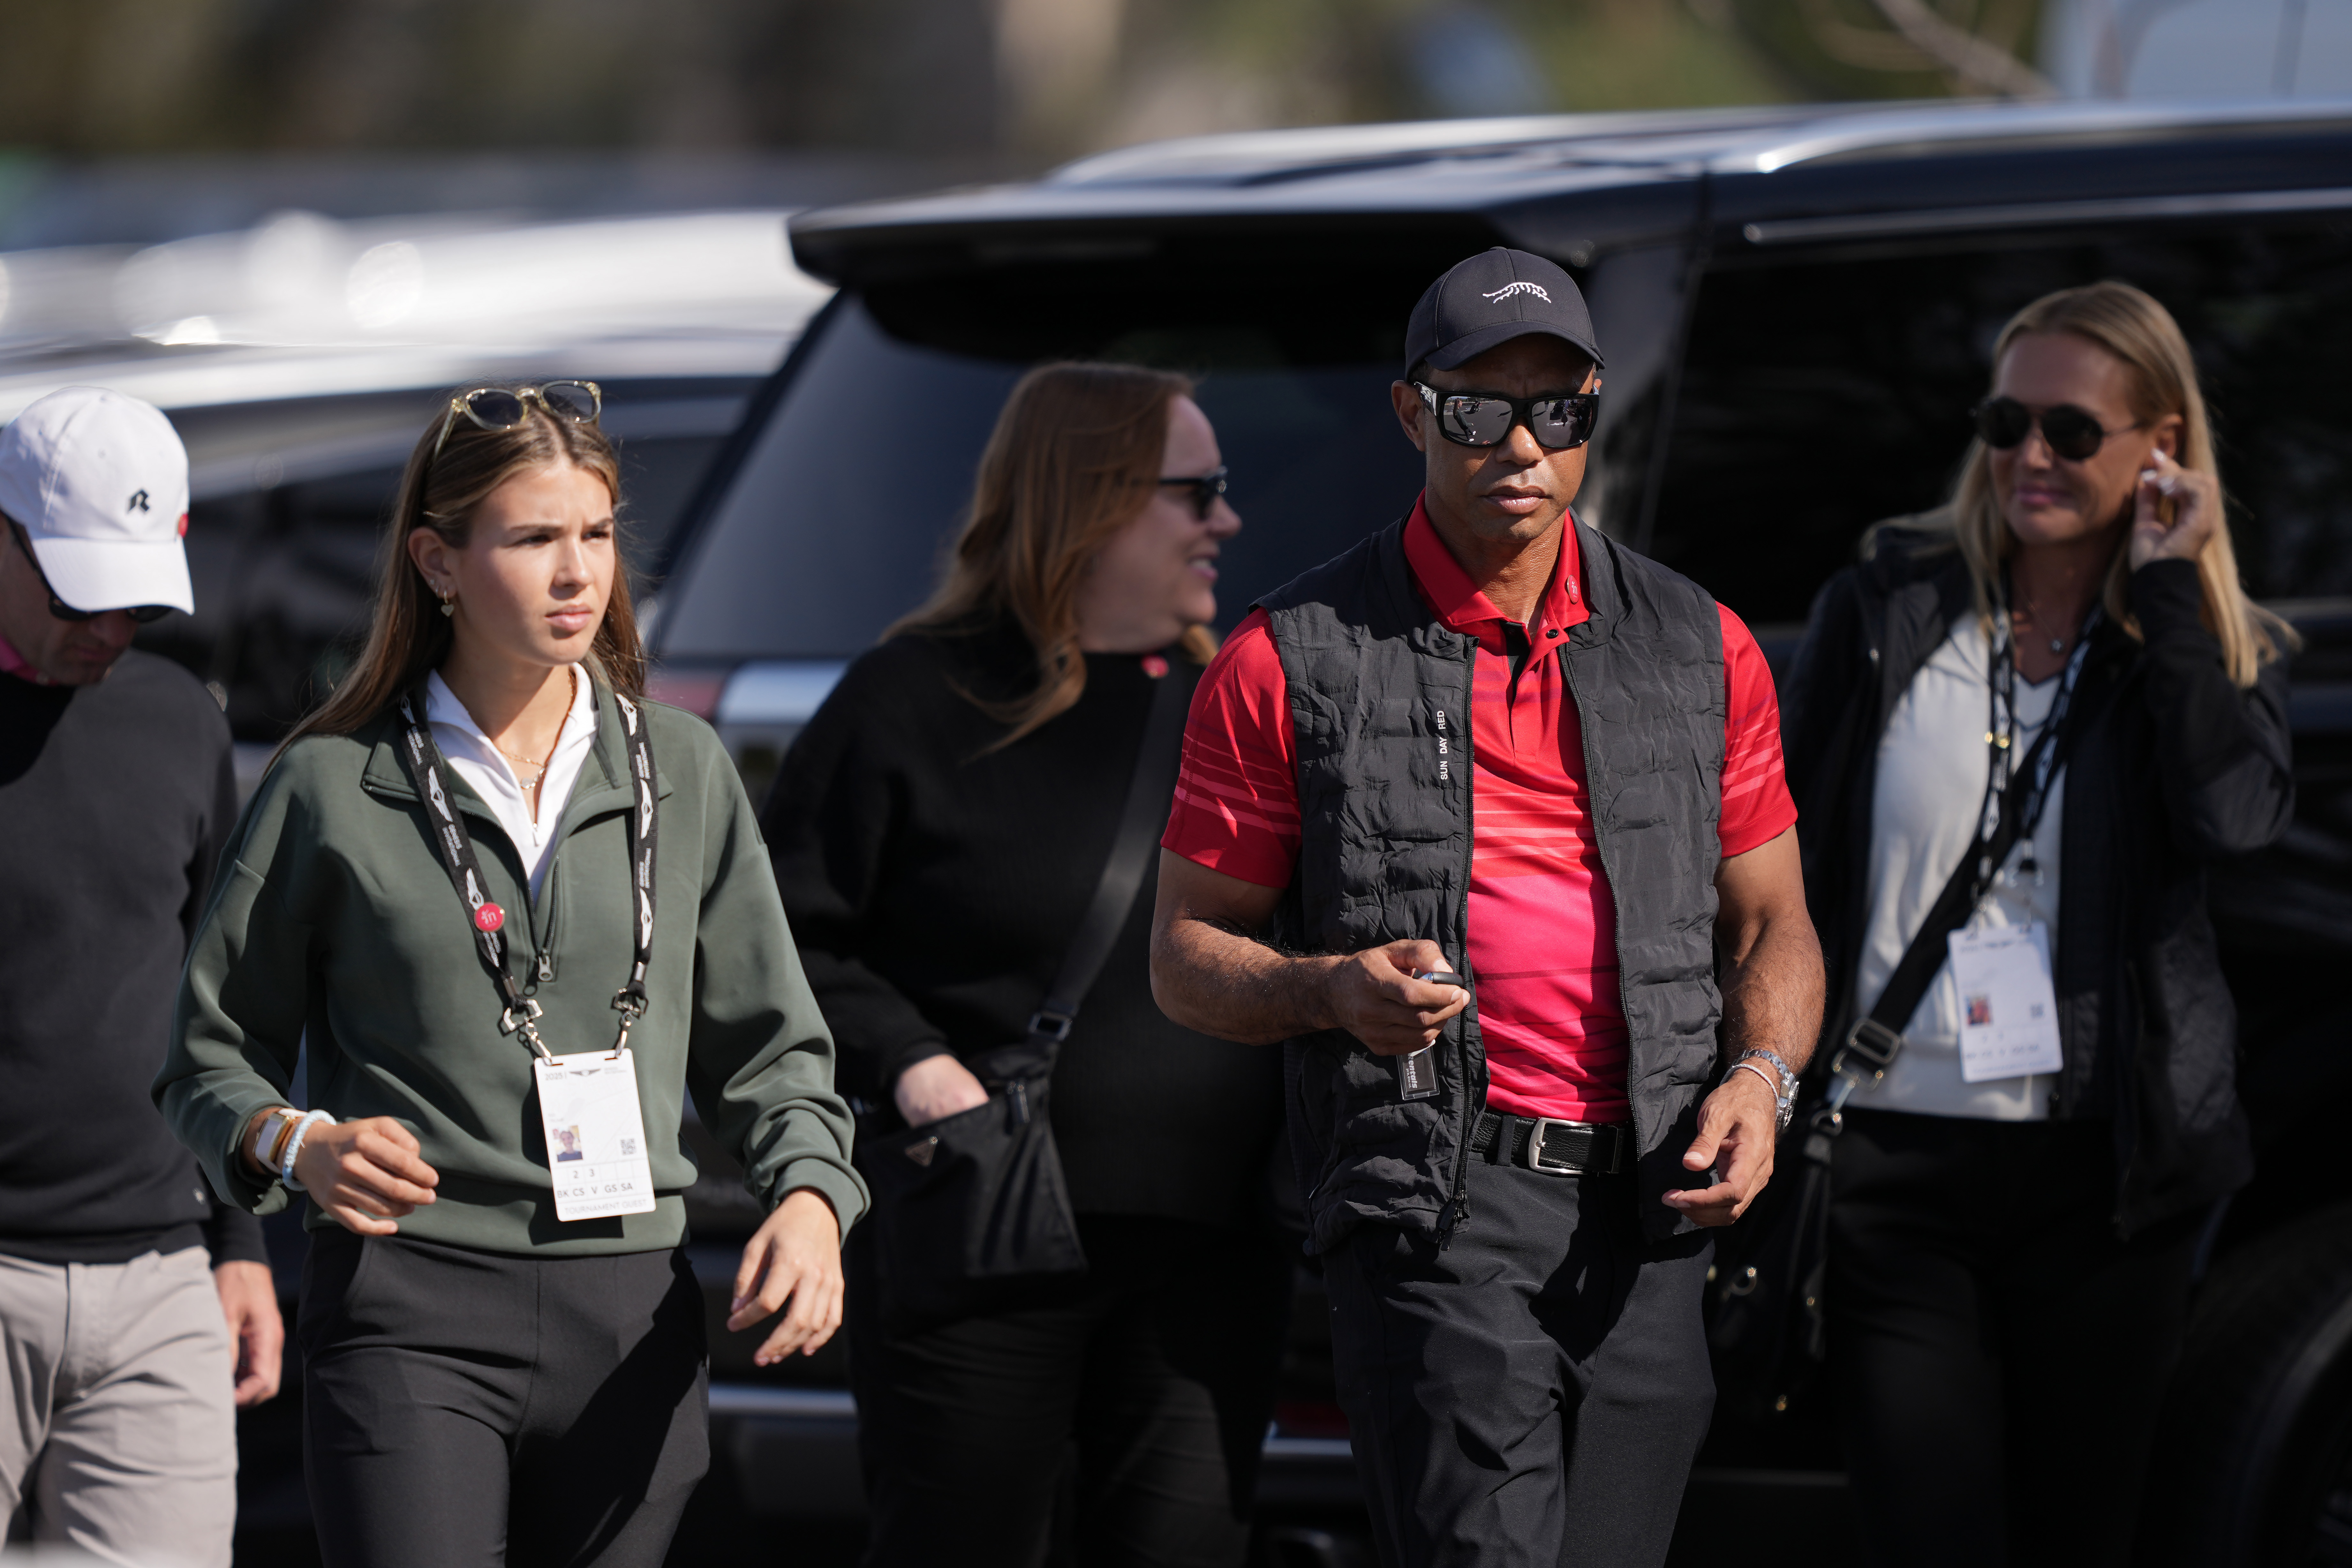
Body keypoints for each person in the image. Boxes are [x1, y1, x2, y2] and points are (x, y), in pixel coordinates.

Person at [1150, 248, 1825, 1568]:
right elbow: (1184, 957)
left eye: (1556, 408)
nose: (1520, 441)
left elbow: (1773, 924)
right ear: (1412, 415)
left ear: (1592, 414)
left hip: (1654, 1205)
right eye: (1476, 407)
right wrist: (1329, 989)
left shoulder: (1704, 644)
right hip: (1436, 1207)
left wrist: (1763, 1078)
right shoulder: (1290, 656)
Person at [153, 381, 866, 1568]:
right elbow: (208, 1053)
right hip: (406, 1310)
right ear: (438, 561)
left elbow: (775, 1052)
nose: (579, 572)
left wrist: (810, 1198)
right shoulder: (329, 782)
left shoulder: (684, 769)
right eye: (535, 539)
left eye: (595, 534)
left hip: (634, 1313)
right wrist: (300, 1146)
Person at [1779, 281, 2295, 1565]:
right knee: (1931, 1535)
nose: (2030, 458)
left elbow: (2234, 818)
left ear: (2160, 446)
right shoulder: (1890, 602)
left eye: (2073, 431)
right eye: (2007, 423)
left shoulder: (2187, 645)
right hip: (1894, 1163)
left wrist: (2172, 595)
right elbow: (1781, 857)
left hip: (2102, 1176)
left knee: (2082, 1538)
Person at [766, 363, 1292, 1568]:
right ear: (1094, 501)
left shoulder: (1242, 704)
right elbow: (785, 941)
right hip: (981, 1238)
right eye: (1197, 491)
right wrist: (911, 1064)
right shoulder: (910, 699)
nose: (1229, 519)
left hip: (1212, 1260)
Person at [0, 386, 283, 1567]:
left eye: (137, 597)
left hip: (162, 1278)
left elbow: (219, 1005)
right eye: (80, 589)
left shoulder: (179, 720)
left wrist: (240, 1246)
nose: (111, 628)